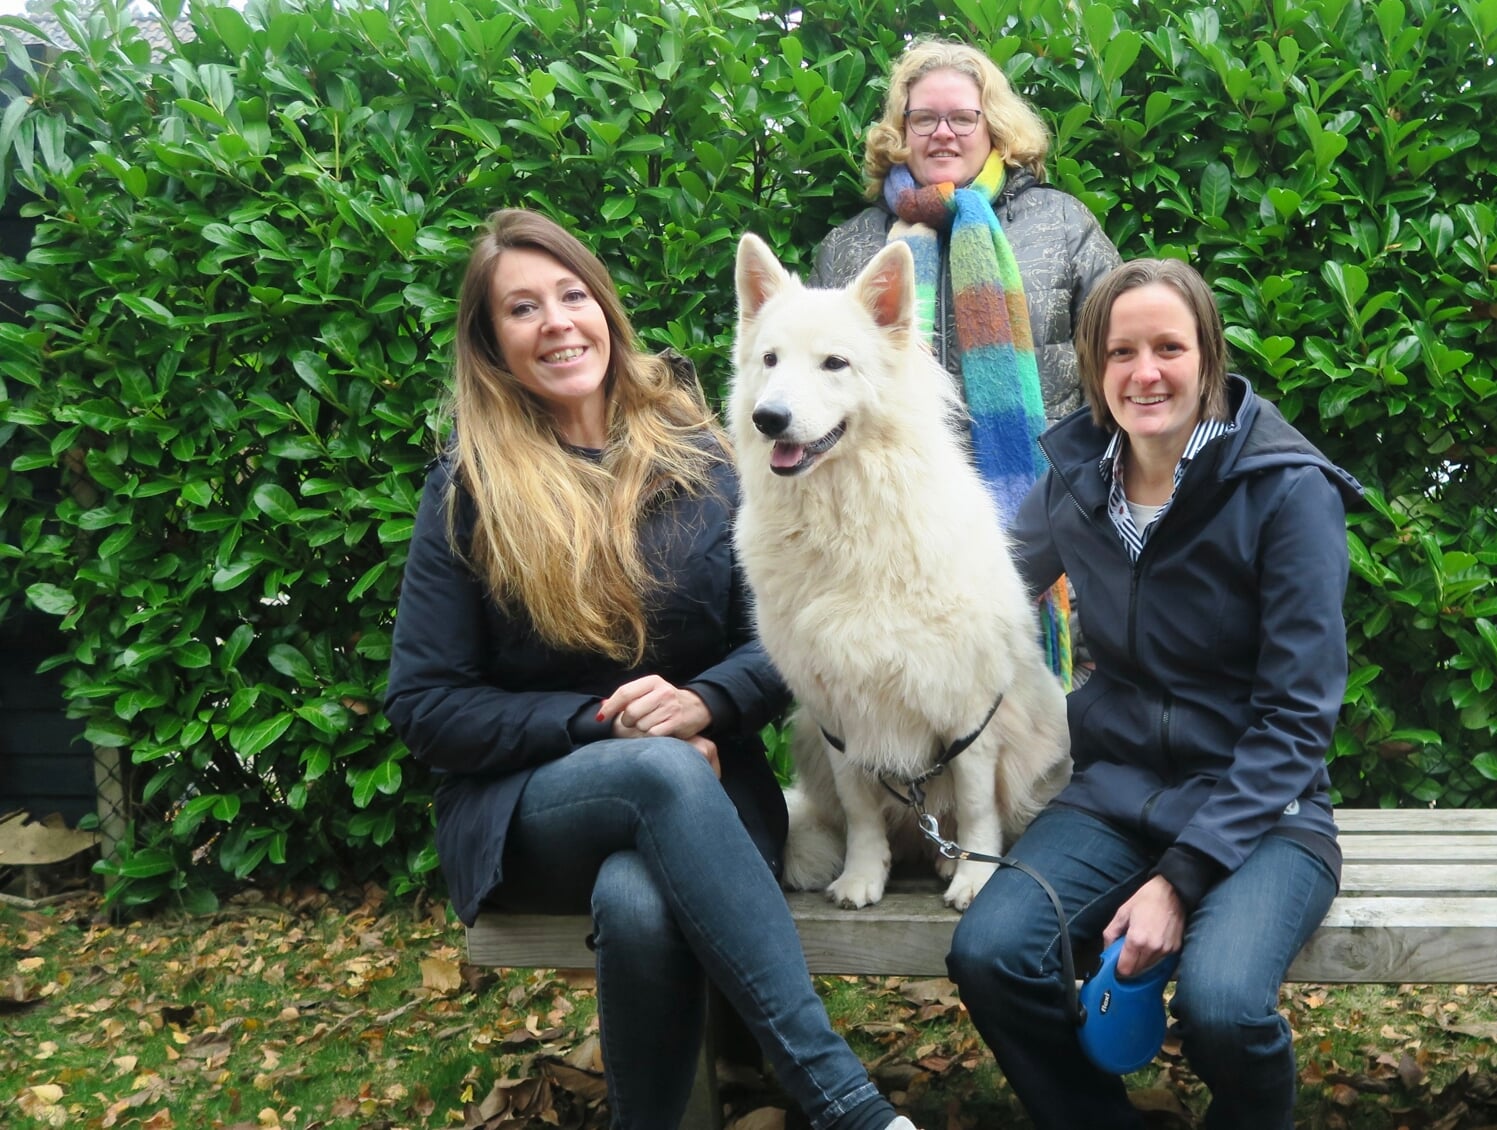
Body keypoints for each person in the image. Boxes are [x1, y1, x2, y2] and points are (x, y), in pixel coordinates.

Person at [384, 209, 917, 1130]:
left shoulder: (710, 458)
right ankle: (843, 1102)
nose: (555, 322)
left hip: (714, 795)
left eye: (571, 295)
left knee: (638, 902)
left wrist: (706, 702)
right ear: (492, 344)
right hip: (531, 808)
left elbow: (785, 637)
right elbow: (426, 705)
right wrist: (606, 725)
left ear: (605, 310)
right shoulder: (466, 488)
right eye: (521, 308)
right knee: (656, 771)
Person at [947, 260, 1362, 1130]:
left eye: (1169, 347)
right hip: (1115, 794)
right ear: (1096, 368)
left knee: (1222, 1010)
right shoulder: (1074, 480)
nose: (1146, 373)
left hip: (1266, 810)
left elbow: (1298, 720)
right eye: (1121, 351)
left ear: (1207, 357)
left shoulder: (1289, 491)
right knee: (990, 952)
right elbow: (966, 599)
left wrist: (1177, 881)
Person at [813, 39, 1120, 678]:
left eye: (963, 117)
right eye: (924, 118)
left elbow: (1120, 371)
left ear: (995, 127)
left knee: (1060, 744)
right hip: (896, 546)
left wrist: (1091, 489)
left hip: (1050, 523)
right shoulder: (850, 249)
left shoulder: (1064, 227)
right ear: (900, 131)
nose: (943, 133)